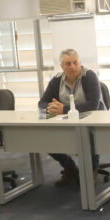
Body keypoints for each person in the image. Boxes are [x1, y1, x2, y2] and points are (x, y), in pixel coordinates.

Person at [38, 49, 106, 186]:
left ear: (80, 62)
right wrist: (52, 107)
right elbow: (42, 103)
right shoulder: (57, 80)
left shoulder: (89, 76)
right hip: (68, 119)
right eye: (68, 64)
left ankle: (92, 170)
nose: (72, 66)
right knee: (45, 136)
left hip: (93, 117)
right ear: (62, 66)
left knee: (89, 134)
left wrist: (63, 109)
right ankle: (70, 168)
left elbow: (92, 104)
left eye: (75, 62)